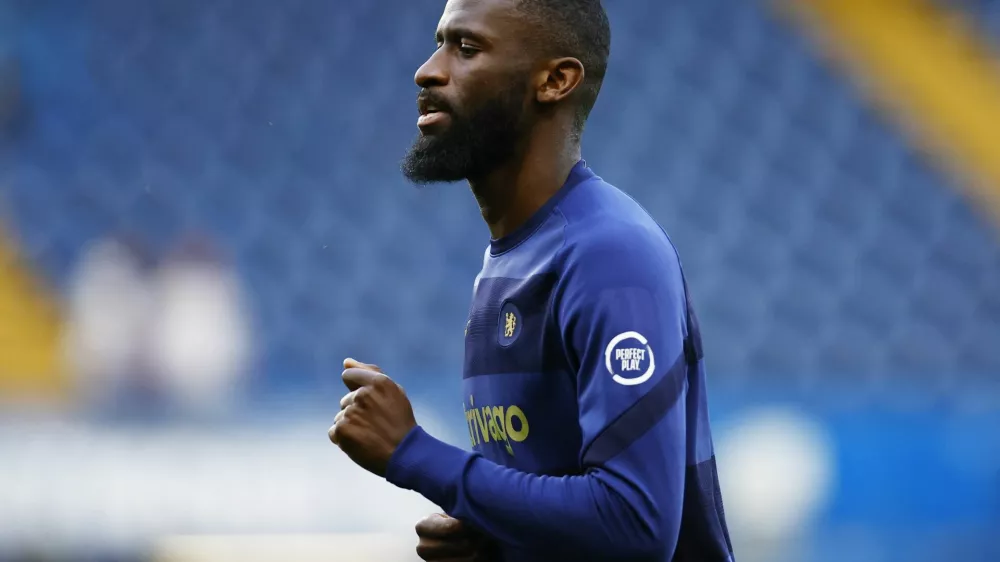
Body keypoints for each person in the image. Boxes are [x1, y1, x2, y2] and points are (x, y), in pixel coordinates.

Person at [328, 0, 734, 560]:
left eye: (467, 48)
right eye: (439, 43)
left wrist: (414, 453)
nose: (427, 71)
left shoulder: (609, 254)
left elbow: (635, 526)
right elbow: (562, 500)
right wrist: (496, 539)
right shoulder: (510, 260)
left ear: (555, 81)